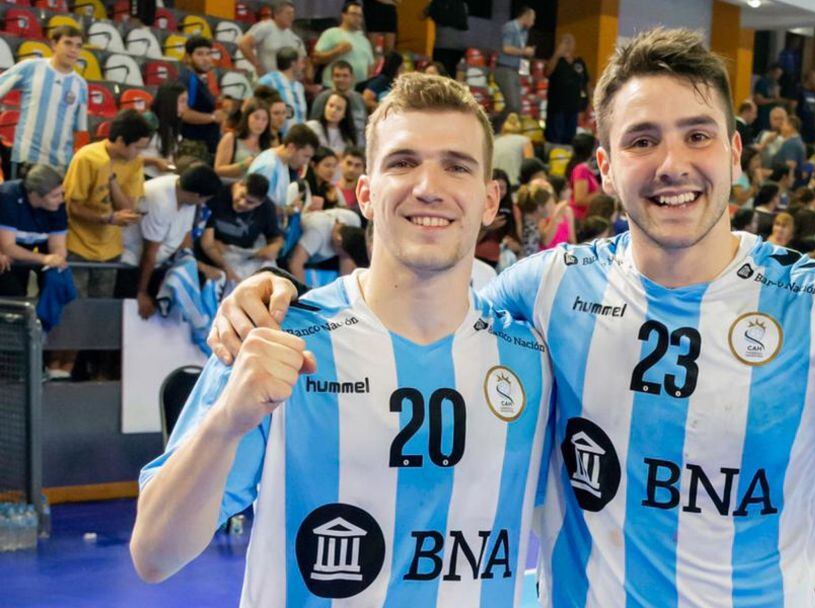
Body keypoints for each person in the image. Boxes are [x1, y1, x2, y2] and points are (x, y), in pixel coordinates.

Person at [209, 29, 815, 606]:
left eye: (697, 135)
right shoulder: (542, 290)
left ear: (736, 153)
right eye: (642, 140)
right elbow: (411, 300)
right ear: (604, 166)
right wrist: (269, 297)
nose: (672, 165)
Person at [131, 73, 553, 608]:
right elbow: (153, 555)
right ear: (365, 194)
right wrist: (226, 423)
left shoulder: (532, 361)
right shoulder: (278, 336)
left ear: (491, 199)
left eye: (457, 166)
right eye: (402, 163)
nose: (428, 186)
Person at [63, 110, 150, 298]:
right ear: (120, 140)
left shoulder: (135, 163)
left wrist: (111, 179)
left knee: (101, 312)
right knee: (75, 309)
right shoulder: (87, 158)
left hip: (110, 250)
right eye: (137, 147)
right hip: (78, 247)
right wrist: (108, 218)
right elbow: (73, 207)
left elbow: (128, 209)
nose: (139, 153)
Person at [121, 163, 223, 318]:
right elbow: (149, 252)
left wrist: (191, 266)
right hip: (135, 264)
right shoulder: (159, 199)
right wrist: (142, 292)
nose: (203, 204)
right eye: (205, 199)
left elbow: (185, 234)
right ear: (197, 195)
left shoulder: (186, 191)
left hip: (161, 263)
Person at [0, 25, 87, 174]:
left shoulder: (81, 85)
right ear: (53, 44)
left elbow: (81, 130)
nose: (73, 50)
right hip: (26, 158)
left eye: (78, 46)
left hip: (60, 165)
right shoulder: (30, 67)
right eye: (68, 43)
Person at [199, 174, 283, 282]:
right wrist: (227, 269)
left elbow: (276, 238)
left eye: (250, 202)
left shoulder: (267, 207)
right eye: (242, 195)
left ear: (260, 203)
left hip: (246, 253)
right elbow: (206, 243)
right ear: (238, 185)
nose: (242, 203)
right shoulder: (216, 196)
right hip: (216, 251)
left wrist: (275, 247)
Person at [0, 164, 67, 296]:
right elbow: (8, 246)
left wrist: (57, 259)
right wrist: (44, 259)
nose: (60, 200)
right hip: (7, 249)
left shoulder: (58, 205)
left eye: (62, 194)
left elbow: (58, 244)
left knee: (55, 283)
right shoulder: (8, 196)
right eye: (54, 196)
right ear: (35, 195)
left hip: (37, 245)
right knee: (13, 289)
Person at [248, 123, 320, 212]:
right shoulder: (269, 167)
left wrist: (292, 206)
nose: (306, 162)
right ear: (291, 147)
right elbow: (260, 207)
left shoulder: (283, 162)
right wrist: (290, 210)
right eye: (305, 156)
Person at [177, 36, 225, 159]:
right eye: (199, 54)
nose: (205, 59)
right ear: (188, 57)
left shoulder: (197, 79)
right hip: (195, 149)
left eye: (208, 54)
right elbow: (184, 114)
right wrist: (213, 117)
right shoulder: (189, 79)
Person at [286, 206, 365, 279]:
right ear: (338, 242)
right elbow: (295, 264)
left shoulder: (353, 220)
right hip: (291, 245)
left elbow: (346, 259)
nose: (346, 259)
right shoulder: (317, 234)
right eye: (344, 254)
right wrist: (307, 292)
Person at [312, 2, 375, 89]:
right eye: (353, 14)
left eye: (360, 16)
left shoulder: (365, 40)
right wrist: (337, 51)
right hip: (334, 87)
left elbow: (370, 68)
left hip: (358, 89)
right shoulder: (331, 33)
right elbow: (316, 59)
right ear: (344, 15)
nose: (357, 18)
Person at [236, 0, 306, 77]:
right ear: (276, 14)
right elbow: (243, 44)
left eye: (293, 14)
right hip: (266, 82)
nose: (291, 17)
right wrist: (257, 65)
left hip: (286, 83)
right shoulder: (265, 27)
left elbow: (301, 61)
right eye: (288, 13)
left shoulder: (295, 38)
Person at [492, 6, 535, 131]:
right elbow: (506, 48)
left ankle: (500, 128)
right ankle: (494, 126)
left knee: (517, 107)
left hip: (515, 70)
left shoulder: (524, 32)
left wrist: (526, 53)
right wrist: (524, 51)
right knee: (513, 104)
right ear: (525, 16)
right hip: (505, 69)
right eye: (532, 19)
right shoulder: (510, 27)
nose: (533, 22)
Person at [309, 61, 368, 150]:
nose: (341, 79)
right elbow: (315, 127)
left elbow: (365, 124)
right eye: (337, 75)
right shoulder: (322, 98)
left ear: (352, 78)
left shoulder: (359, 99)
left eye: (345, 76)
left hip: (360, 149)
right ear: (331, 78)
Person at [215, 99, 273, 183]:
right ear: (247, 117)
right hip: (229, 189)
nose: (260, 123)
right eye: (256, 117)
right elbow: (218, 170)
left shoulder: (267, 147)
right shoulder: (231, 138)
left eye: (264, 119)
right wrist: (243, 165)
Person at [544, 34, 589, 145]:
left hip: (573, 107)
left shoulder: (579, 62)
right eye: (565, 42)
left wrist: (589, 103)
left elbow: (586, 83)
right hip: (557, 108)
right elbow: (547, 72)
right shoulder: (556, 61)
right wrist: (557, 55)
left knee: (570, 139)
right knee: (555, 139)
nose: (568, 45)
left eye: (570, 42)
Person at [257, 48, 307, 132]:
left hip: (298, 139)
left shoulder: (299, 87)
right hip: (276, 139)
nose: (303, 66)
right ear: (293, 64)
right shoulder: (268, 81)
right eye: (301, 63)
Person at [305, 91, 359, 156]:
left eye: (339, 109)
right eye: (331, 105)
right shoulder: (311, 127)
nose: (333, 110)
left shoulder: (347, 140)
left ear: (344, 114)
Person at [491, 113, 534, 189]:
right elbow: (530, 166)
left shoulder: (495, 141)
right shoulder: (524, 140)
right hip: (515, 186)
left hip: (494, 186)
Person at [428, 0, 470, 76]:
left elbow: (424, 14)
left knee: (439, 70)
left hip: (442, 43)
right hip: (459, 44)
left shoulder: (439, 3)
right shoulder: (462, 4)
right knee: (452, 70)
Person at [566, 132, 599, 221]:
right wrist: (602, 192)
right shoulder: (581, 169)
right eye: (596, 145)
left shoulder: (583, 167)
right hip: (580, 218)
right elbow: (580, 200)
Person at [303, 147, 346, 211]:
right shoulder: (302, 187)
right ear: (313, 165)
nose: (331, 170)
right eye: (327, 165)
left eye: (334, 166)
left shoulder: (333, 189)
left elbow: (345, 212)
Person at [752, 63, 783, 133]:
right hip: (762, 117)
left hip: (771, 118)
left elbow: (777, 100)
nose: (778, 77)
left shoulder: (775, 84)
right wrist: (773, 100)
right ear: (771, 71)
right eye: (777, 74)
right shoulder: (762, 82)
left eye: (780, 75)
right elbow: (758, 100)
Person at [794, 69, 815, 144]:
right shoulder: (799, 90)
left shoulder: (814, 92)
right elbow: (793, 107)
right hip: (802, 124)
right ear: (810, 78)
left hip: (812, 125)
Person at [338, 146, 365, 211]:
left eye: (357, 165)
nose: (351, 169)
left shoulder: (366, 196)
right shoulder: (328, 190)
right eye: (348, 163)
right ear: (341, 162)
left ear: (363, 169)